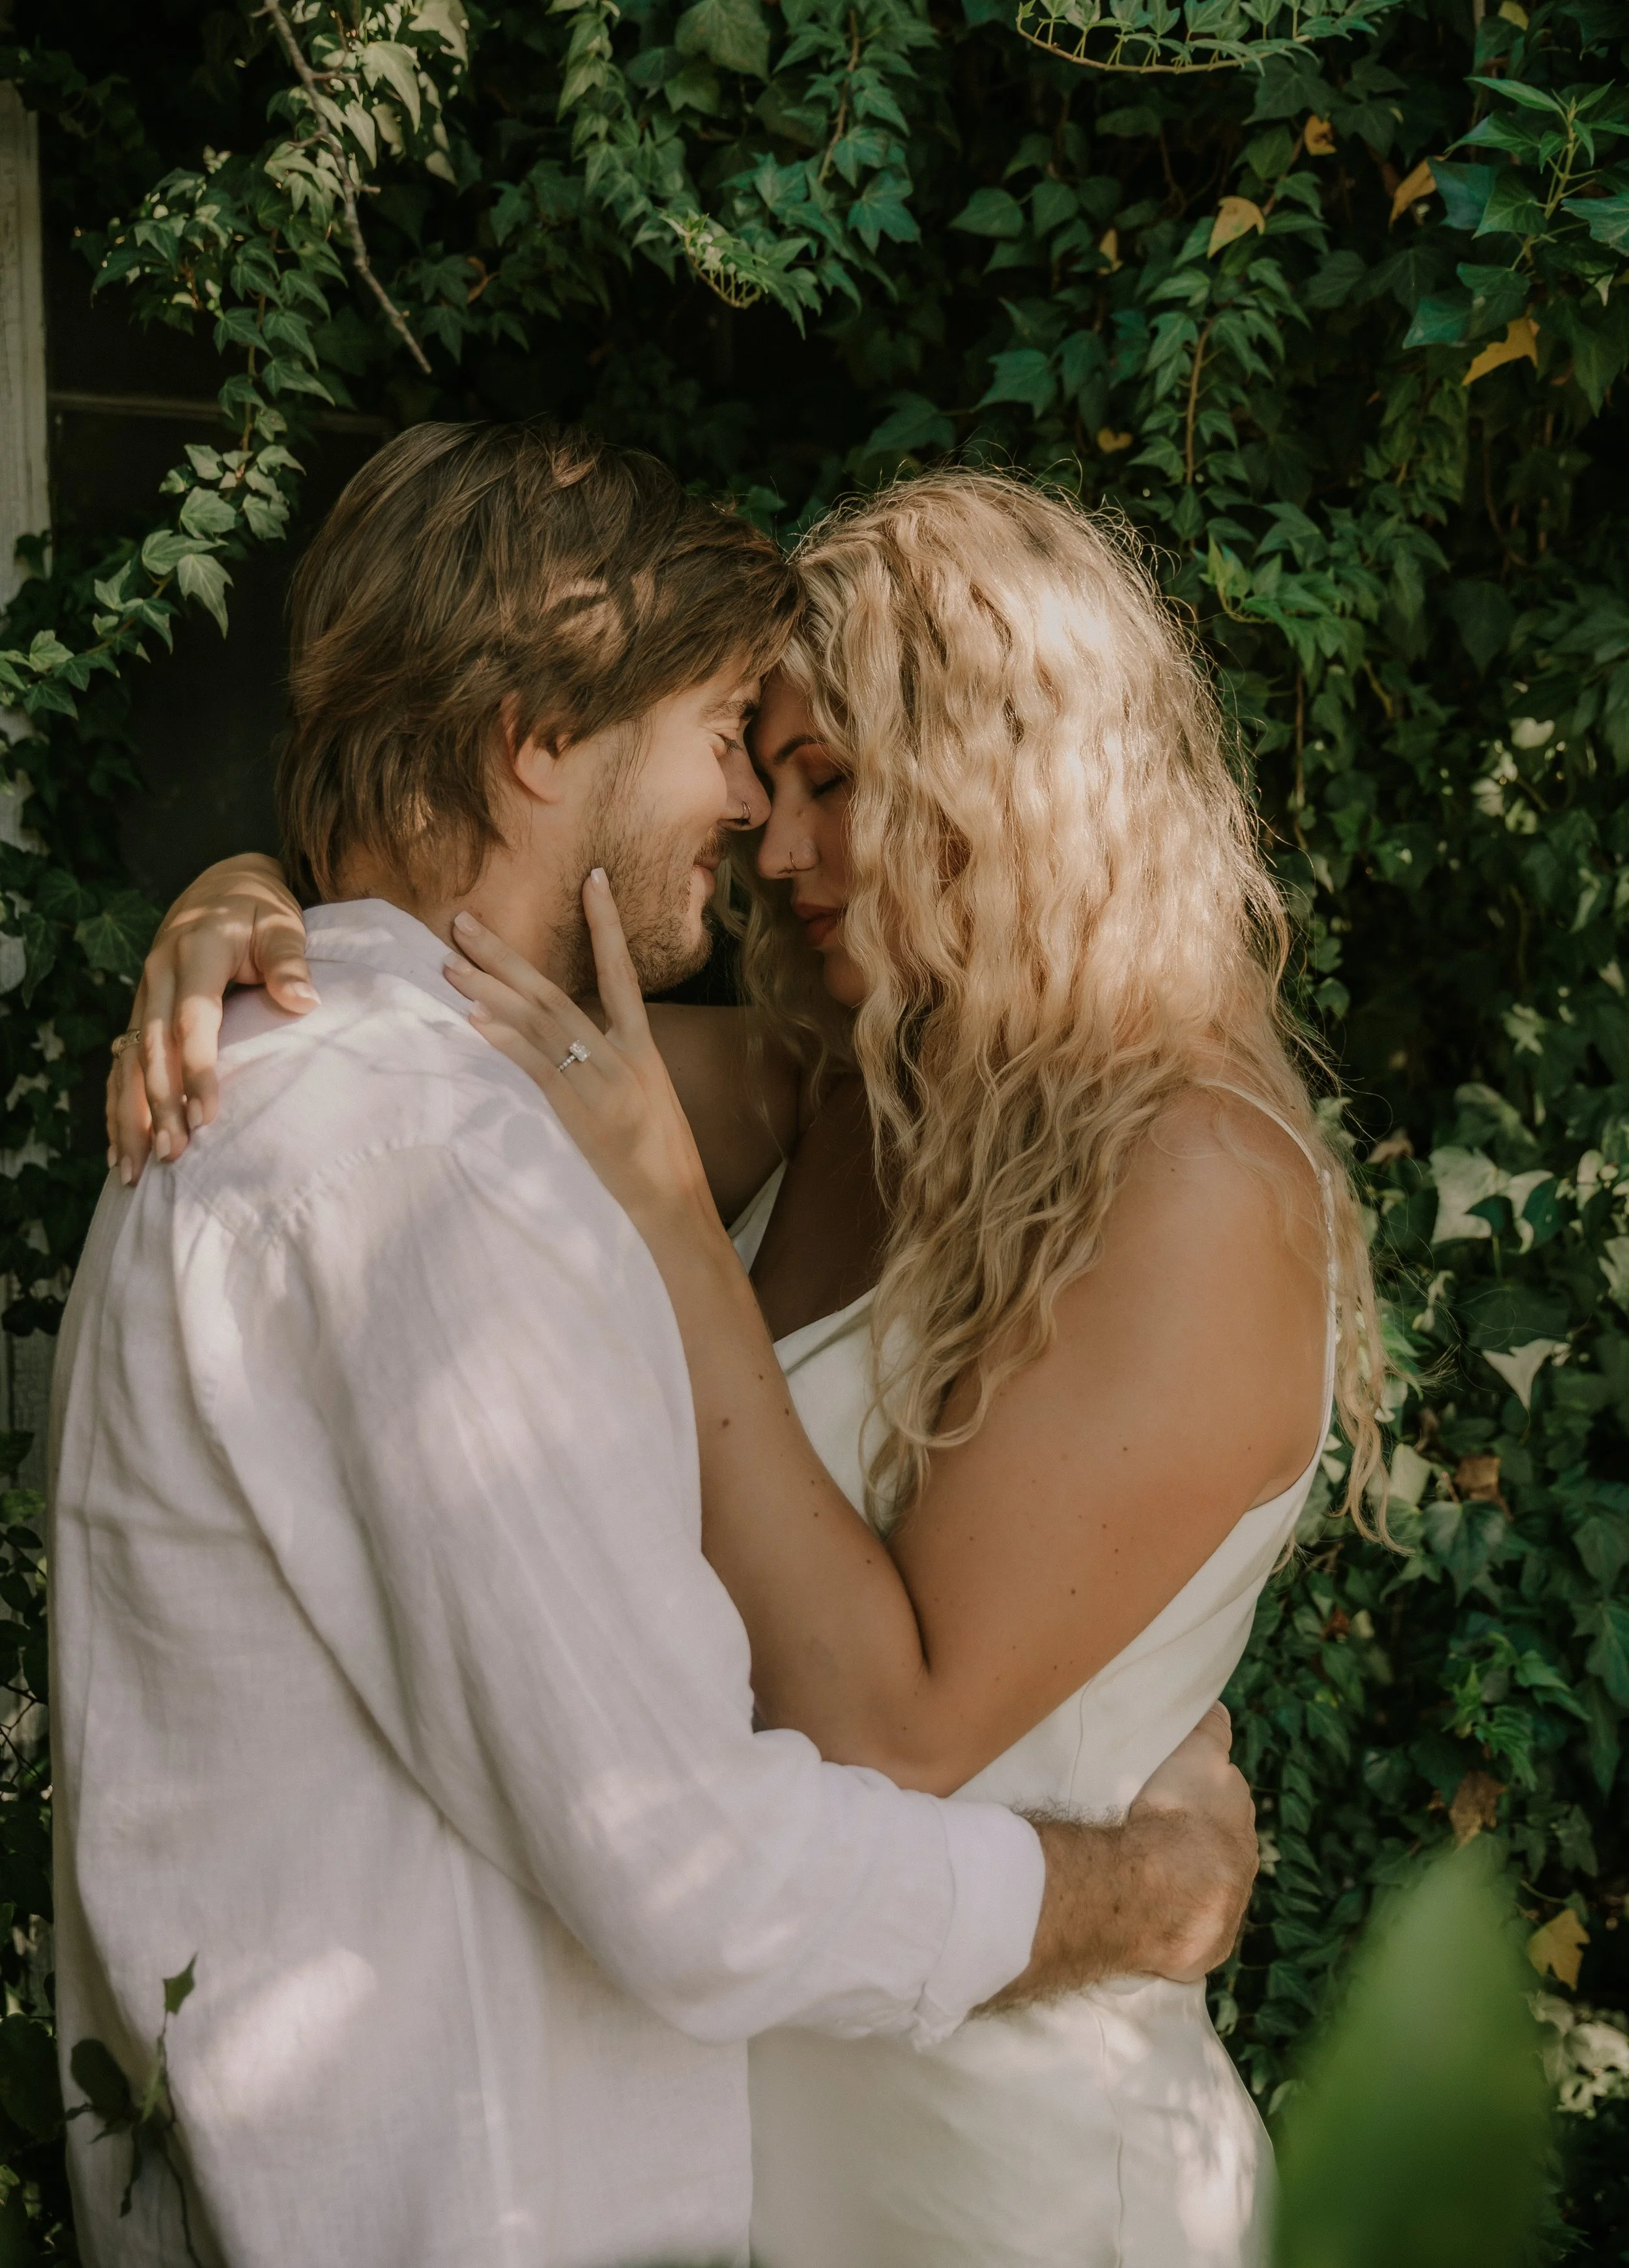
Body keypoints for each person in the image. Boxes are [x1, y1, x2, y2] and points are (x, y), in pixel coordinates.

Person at [61, 423, 1256, 2268]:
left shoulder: (415, 1102)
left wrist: (263, 893)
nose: (756, 831)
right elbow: (683, 1863)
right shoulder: (424, 1151)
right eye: (731, 742)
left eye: (814, 777)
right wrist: (1125, 1894)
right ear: (540, 738)